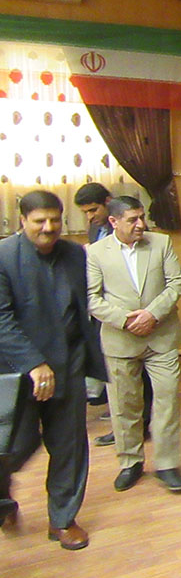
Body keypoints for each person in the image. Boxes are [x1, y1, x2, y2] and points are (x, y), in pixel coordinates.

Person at [0, 190, 106, 549]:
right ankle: (3, 498)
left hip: (68, 363)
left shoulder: (75, 254)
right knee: (14, 446)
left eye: (55, 220)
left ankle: (62, 519)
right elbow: (2, 319)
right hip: (17, 370)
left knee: (69, 444)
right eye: (39, 221)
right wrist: (35, 364)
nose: (48, 227)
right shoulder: (3, 256)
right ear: (22, 221)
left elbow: (83, 306)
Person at [86, 196, 181, 494]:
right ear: (114, 222)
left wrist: (152, 314)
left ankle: (167, 465)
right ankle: (130, 462)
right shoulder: (96, 253)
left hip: (161, 336)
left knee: (167, 400)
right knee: (124, 405)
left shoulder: (161, 243)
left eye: (142, 217)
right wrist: (125, 320)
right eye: (132, 219)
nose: (141, 224)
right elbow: (91, 298)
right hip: (120, 339)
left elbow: (177, 283)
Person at [73, 182, 153, 449]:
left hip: (136, 313)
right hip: (107, 310)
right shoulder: (96, 229)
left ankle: (142, 424)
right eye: (85, 212)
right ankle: (123, 428)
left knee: (140, 373)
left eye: (92, 210)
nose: (89, 217)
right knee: (117, 374)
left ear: (108, 203)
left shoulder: (134, 228)